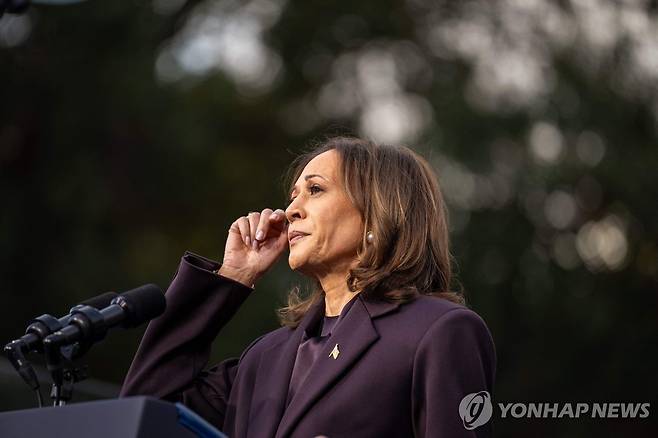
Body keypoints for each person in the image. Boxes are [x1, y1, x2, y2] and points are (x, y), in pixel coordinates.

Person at [120, 136, 496, 437]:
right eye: (293, 196)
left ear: (378, 214)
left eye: (315, 190)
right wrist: (232, 278)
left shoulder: (437, 331)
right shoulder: (265, 357)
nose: (290, 211)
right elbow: (145, 410)